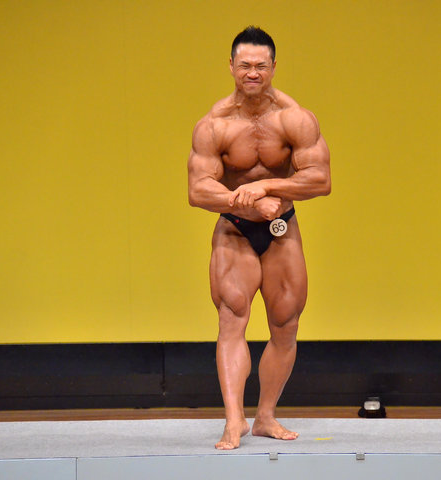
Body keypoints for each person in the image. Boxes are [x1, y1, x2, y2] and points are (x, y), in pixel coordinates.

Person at [187, 26, 331, 450]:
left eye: (261, 65)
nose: (253, 72)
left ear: (273, 67)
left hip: (281, 229)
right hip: (235, 229)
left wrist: (266, 187)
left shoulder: (295, 119)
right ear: (231, 66)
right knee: (232, 318)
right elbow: (198, 190)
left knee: (286, 324)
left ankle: (265, 416)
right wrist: (243, 200)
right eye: (245, 65)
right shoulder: (214, 125)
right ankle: (234, 420)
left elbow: (319, 179)